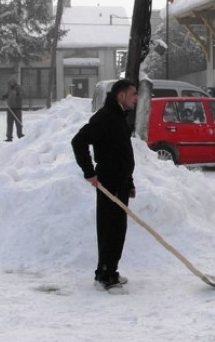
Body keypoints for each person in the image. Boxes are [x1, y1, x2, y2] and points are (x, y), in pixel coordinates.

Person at [71, 79, 138, 292]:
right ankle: (105, 276)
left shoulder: (119, 117)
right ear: (121, 95)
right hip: (109, 182)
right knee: (110, 229)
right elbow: (78, 141)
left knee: (118, 229)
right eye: (133, 93)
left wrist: (129, 182)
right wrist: (89, 172)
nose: (137, 97)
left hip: (120, 181)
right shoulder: (106, 117)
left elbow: (122, 152)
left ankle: (110, 271)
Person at [2, 76, 24, 141]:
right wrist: (4, 96)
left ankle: (20, 134)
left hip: (17, 108)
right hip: (10, 108)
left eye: (13, 82)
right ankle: (9, 136)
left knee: (18, 122)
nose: (12, 83)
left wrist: (18, 94)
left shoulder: (19, 88)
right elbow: (7, 94)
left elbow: (23, 96)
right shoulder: (8, 88)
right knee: (9, 123)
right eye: (10, 82)